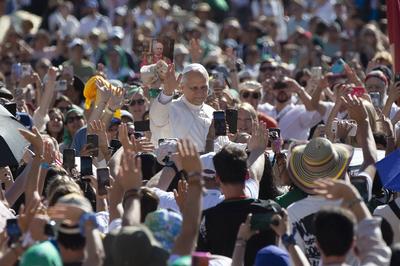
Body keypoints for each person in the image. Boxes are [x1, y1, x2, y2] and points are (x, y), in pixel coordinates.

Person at [286, 95, 378, 265]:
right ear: (341, 167)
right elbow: (370, 161)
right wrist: (363, 121)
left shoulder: (292, 213)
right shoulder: (356, 198)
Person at [149, 63, 214, 152]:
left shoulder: (212, 112)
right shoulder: (171, 109)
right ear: (182, 87)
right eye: (194, 88)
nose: (199, 92)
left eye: (203, 87)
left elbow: (222, 144)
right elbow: (157, 119)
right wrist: (167, 92)